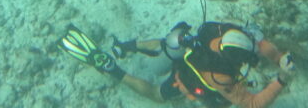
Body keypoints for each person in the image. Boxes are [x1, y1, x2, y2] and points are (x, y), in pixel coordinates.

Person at [58, 20, 295, 107]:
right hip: (185, 79)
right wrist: (281, 80)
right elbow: (253, 103)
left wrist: (278, 58)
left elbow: (260, 42)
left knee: (168, 42)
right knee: (155, 94)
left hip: (186, 54)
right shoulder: (222, 76)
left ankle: (127, 46)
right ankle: (114, 71)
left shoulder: (225, 30)